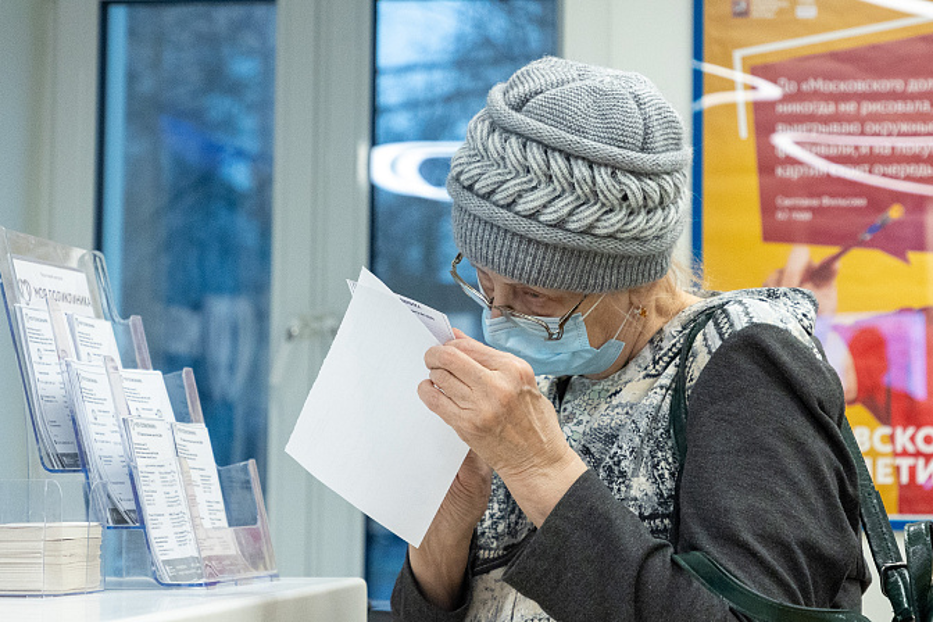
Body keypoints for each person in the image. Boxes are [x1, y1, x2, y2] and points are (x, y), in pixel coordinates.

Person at [391, 56, 870, 621]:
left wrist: (542, 472)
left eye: (534, 296)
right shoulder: (537, 384)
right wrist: (443, 530)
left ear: (635, 280)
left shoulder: (743, 360)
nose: (498, 318)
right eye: (483, 281)